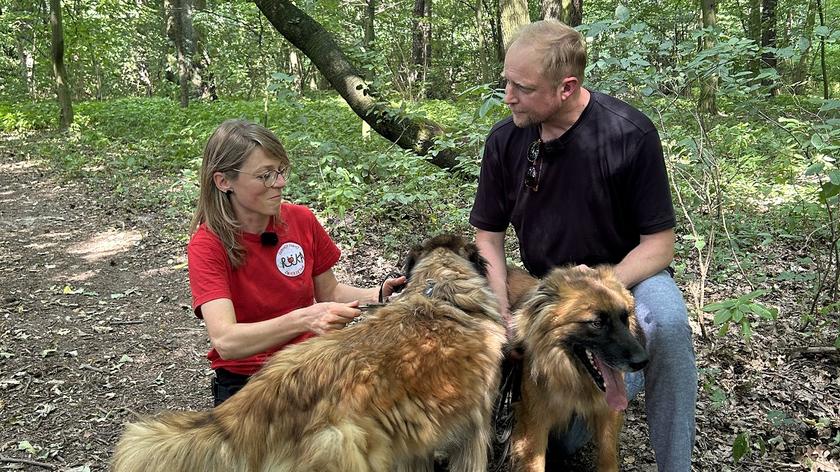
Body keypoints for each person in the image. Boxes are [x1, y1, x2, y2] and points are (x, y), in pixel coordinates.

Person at [469, 20, 697, 471]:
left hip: (626, 275)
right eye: (506, 82)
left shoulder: (629, 134)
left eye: (523, 87)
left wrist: (600, 286)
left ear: (566, 87)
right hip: (547, 289)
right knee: (565, 443)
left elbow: (659, 246)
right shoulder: (506, 139)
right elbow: (487, 239)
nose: (508, 96)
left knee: (667, 324)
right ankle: (591, 397)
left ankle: (676, 464)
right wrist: (501, 313)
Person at [187, 119, 405, 406]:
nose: (280, 183)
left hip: (311, 366)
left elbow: (330, 292)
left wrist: (379, 294)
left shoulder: (301, 220)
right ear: (224, 181)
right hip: (248, 383)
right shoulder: (208, 245)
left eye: (280, 171)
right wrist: (304, 318)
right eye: (265, 175)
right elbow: (227, 341)